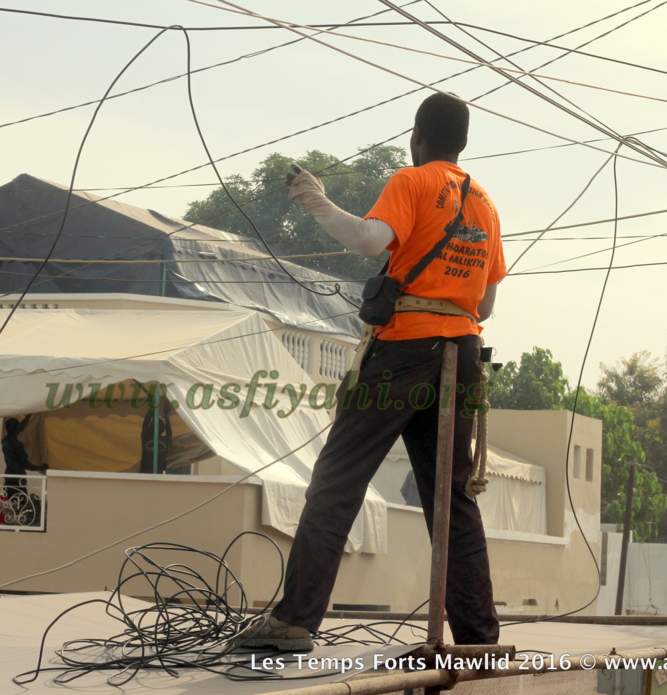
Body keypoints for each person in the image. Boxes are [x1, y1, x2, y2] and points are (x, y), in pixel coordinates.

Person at [237, 93, 505, 651]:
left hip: (403, 353)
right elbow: (485, 308)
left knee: (338, 482)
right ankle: (478, 636)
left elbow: (366, 240)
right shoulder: (485, 204)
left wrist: (316, 201)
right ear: (463, 142)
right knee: (451, 499)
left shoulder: (413, 181)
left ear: (418, 137)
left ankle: (294, 622)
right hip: (462, 360)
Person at [1, 415, 48, 515]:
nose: (20, 429)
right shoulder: (17, 445)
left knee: (13, 504)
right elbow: (26, 464)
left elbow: (20, 428)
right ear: (15, 429)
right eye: (17, 427)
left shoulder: (5, 441)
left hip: (8, 477)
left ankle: (13, 521)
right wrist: (41, 467)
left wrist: (28, 416)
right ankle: (19, 523)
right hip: (17, 479)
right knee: (21, 506)